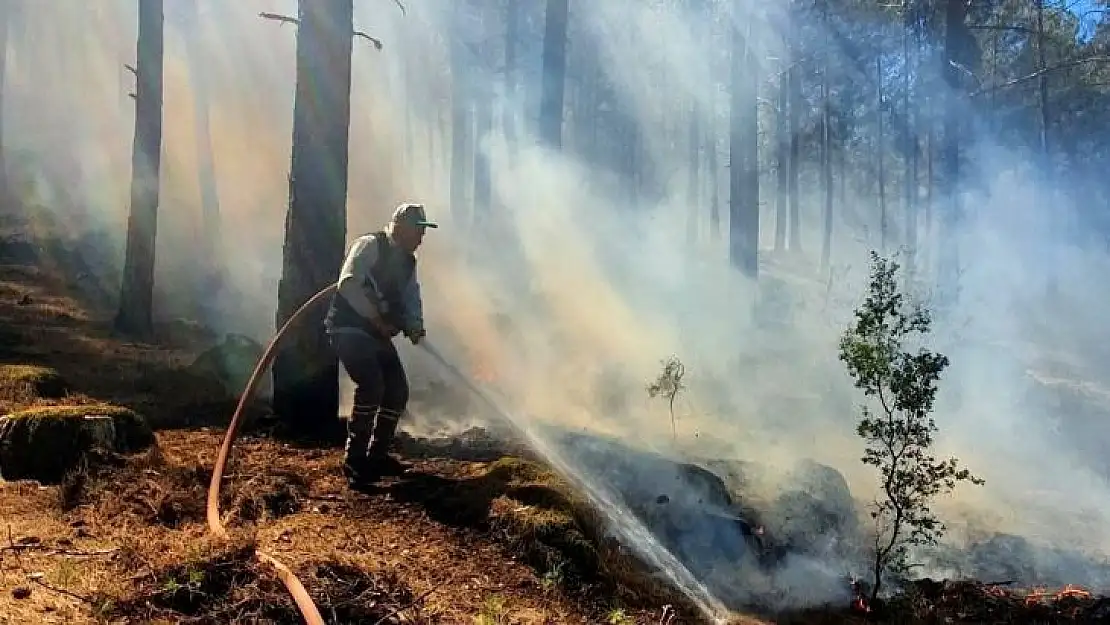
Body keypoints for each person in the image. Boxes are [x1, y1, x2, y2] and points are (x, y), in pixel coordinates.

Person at [324, 202, 437, 489]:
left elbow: (412, 297)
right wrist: (375, 320)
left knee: (397, 391)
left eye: (423, 232)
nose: (421, 239)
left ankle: (378, 455)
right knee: (372, 385)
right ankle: (355, 460)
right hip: (349, 328)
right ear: (399, 226)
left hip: (377, 335)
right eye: (417, 231)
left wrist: (415, 326)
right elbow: (348, 284)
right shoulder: (370, 245)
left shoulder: (408, 263)